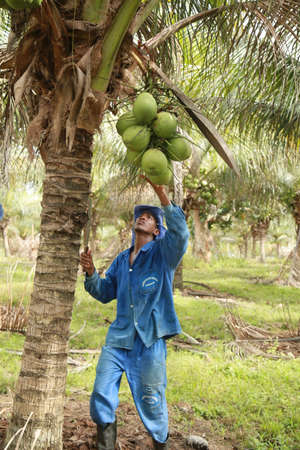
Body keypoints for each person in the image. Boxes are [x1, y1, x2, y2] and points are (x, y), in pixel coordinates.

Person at [80, 181, 189, 450]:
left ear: (156, 229)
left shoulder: (164, 256)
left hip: (149, 342)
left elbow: (182, 234)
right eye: (141, 215)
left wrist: (163, 195)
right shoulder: (121, 260)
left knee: (152, 402)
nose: (143, 217)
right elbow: (106, 292)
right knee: (101, 393)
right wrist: (91, 273)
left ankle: (160, 444)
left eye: (150, 217)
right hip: (118, 339)